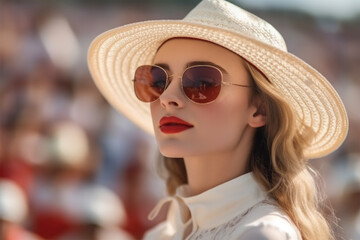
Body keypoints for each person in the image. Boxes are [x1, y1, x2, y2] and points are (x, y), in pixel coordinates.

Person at [87, 0, 348, 239]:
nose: (167, 97)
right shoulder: (162, 234)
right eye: (157, 80)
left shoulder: (260, 234)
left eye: (202, 81)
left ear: (259, 110)